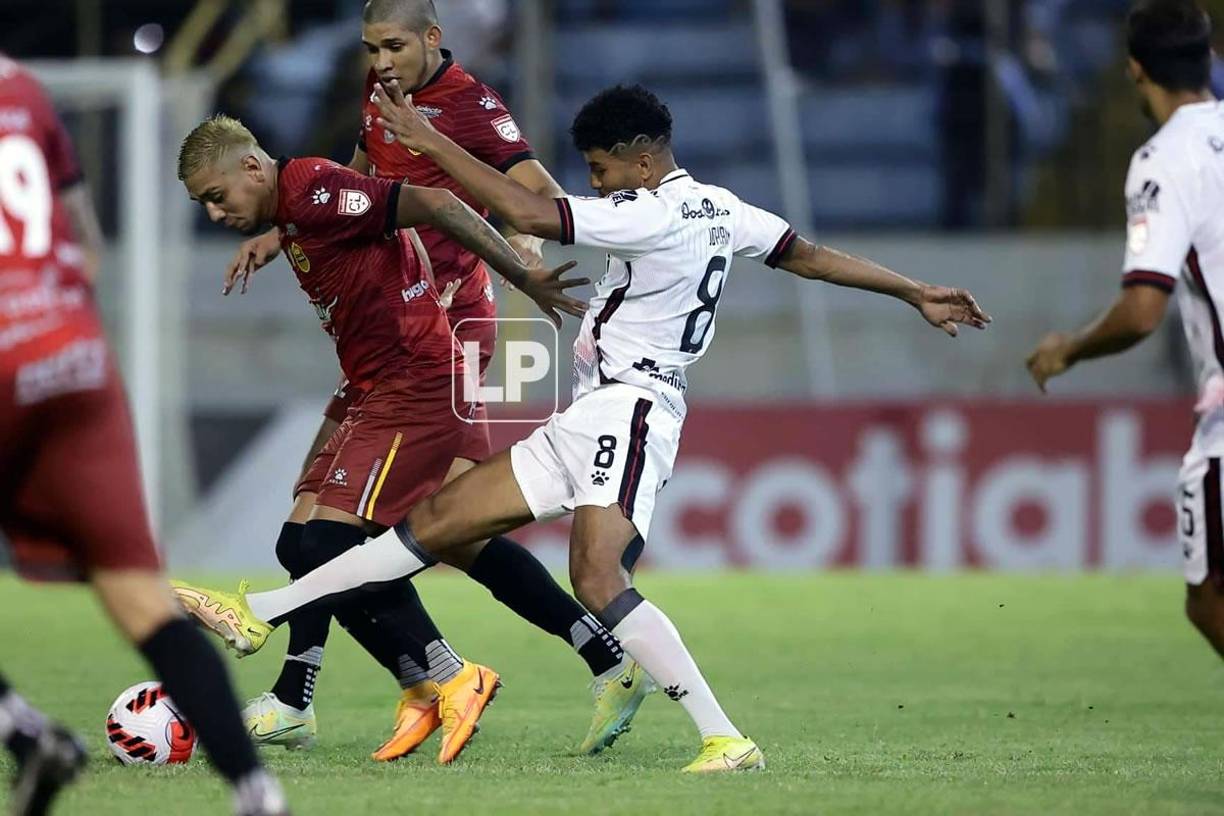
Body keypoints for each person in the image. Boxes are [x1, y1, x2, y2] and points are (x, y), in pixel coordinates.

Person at [173, 81, 991, 772]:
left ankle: (724, 736)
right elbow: (805, 252)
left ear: (642, 157)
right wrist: (913, 289)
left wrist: (426, 137)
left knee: (598, 578)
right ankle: (265, 611)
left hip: (635, 407)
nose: (600, 188)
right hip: (592, 412)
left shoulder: (648, 214)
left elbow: (517, 204)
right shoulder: (722, 208)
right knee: (437, 523)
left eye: (604, 172)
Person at [221, 0, 650, 761]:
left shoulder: (474, 108)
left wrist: (528, 259)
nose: (380, 61)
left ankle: (316, 693)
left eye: (393, 46)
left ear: (432, 39)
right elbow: (358, 176)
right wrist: (285, 225)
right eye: (368, 48)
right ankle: (601, 655)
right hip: (395, 325)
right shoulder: (384, 93)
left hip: (446, 328)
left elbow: (538, 195)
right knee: (438, 532)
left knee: (339, 532)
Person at [176, 113, 594, 762]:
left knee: (335, 543)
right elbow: (330, 209)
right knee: (313, 540)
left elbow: (434, 201)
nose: (213, 214)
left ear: (252, 169)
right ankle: (344, 692)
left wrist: (523, 270)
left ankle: (443, 676)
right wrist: (274, 235)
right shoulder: (297, 204)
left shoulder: (317, 187)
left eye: (216, 197)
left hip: (417, 380)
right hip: (373, 384)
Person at [0, 56, 288, 816]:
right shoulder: (25, 90)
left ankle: (27, 736)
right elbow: (87, 250)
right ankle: (258, 795)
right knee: (141, 601)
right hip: (76, 359)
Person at [1027, 1, 1224, 654]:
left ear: (1136, 71)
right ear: (1210, 57)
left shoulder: (1163, 161)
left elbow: (1143, 309)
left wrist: (1070, 350)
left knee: (1209, 597)